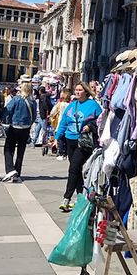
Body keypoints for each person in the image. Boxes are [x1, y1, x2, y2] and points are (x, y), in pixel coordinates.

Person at [55, 81, 102, 212]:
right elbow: (64, 122)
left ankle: (67, 198)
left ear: (86, 91)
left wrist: (90, 126)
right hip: (70, 140)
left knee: (73, 168)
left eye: (80, 90)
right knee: (76, 171)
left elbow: (101, 120)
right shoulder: (71, 106)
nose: (77, 92)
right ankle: (81, 197)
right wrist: (57, 137)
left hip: (84, 142)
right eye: (76, 90)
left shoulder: (93, 105)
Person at [1, 82, 35, 183]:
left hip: (15, 126)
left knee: (8, 149)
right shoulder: (33, 101)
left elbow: (7, 110)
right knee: (21, 151)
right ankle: (17, 172)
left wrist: (3, 120)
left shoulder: (16, 99)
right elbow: (33, 116)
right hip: (26, 128)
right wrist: (29, 124)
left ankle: (10, 170)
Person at [49, 88, 71, 160]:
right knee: (67, 140)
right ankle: (67, 153)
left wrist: (51, 116)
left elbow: (52, 112)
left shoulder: (59, 104)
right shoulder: (70, 105)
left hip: (60, 123)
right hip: (69, 125)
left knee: (60, 139)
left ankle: (61, 154)